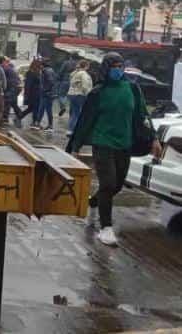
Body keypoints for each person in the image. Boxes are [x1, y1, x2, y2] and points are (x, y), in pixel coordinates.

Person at [66, 52, 162, 246]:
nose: (118, 70)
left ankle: (95, 200)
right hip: (103, 143)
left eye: (120, 66)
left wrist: (154, 139)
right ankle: (106, 228)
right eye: (114, 66)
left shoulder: (132, 89)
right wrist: (75, 147)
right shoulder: (98, 92)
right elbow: (85, 121)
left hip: (124, 144)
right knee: (109, 183)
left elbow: (142, 115)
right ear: (106, 68)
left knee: (116, 185)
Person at [67, 60, 92, 137]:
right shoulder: (83, 74)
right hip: (79, 94)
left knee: (73, 113)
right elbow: (85, 85)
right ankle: (73, 130)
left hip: (72, 94)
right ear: (86, 66)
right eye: (88, 66)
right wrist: (88, 94)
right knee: (77, 114)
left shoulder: (75, 73)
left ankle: (69, 130)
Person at [20, 58, 43, 130]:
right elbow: (28, 85)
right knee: (35, 108)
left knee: (31, 108)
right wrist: (26, 95)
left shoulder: (37, 72)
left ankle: (19, 116)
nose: (41, 66)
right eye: (40, 64)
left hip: (36, 93)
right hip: (33, 94)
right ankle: (34, 122)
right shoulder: (31, 73)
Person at [1, 58, 22, 128]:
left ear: (5, 62)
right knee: (12, 103)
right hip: (15, 88)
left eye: (3, 62)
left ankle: (6, 118)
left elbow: (4, 80)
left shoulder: (7, 69)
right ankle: (7, 117)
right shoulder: (11, 68)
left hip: (12, 88)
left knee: (8, 102)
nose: (2, 64)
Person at [39, 59, 57, 133]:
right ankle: (37, 122)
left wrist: (45, 90)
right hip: (48, 93)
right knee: (42, 108)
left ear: (42, 65)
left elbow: (51, 82)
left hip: (47, 94)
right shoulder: (50, 70)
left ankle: (50, 125)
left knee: (48, 109)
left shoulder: (46, 71)